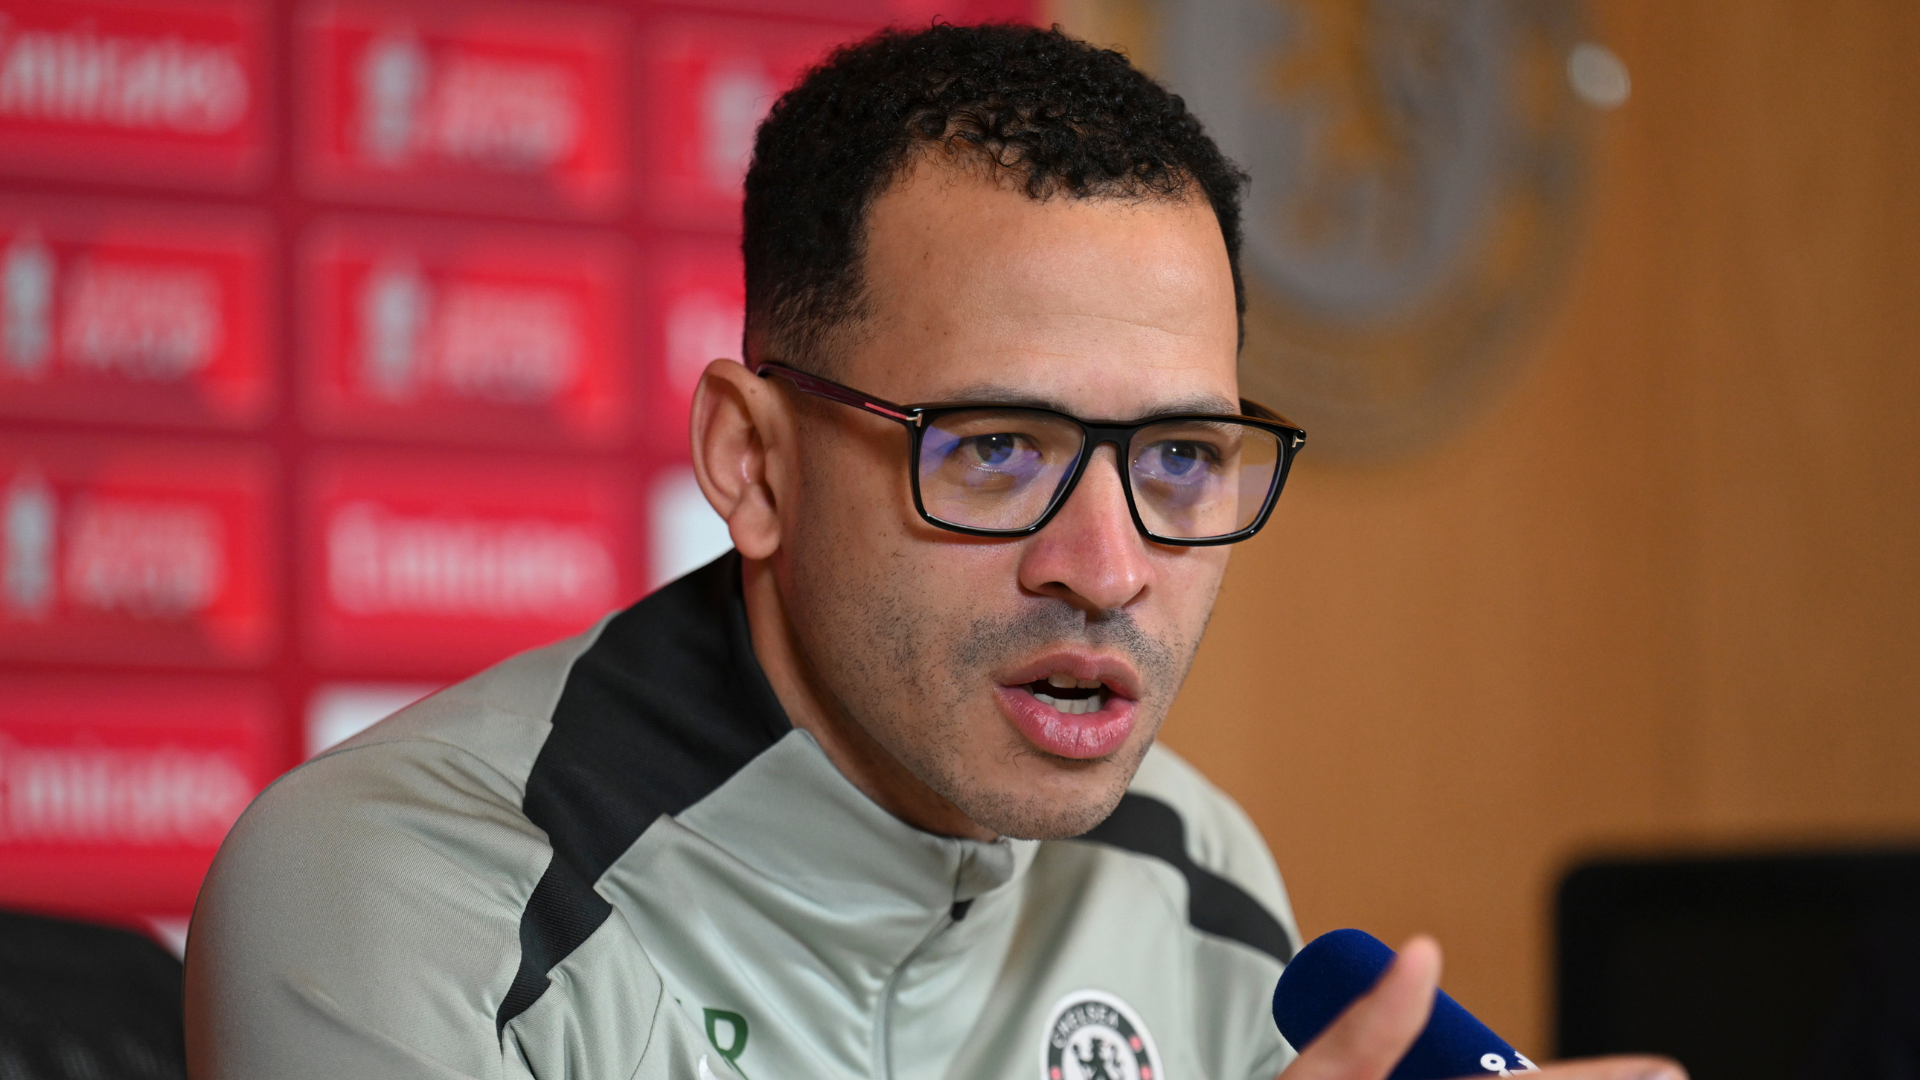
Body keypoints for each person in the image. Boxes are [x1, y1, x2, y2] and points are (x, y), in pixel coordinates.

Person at [185, 22, 1682, 1080]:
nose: (1107, 567)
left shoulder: (1193, 869)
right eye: (997, 448)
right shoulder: (396, 888)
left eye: (1177, 458)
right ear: (753, 463)